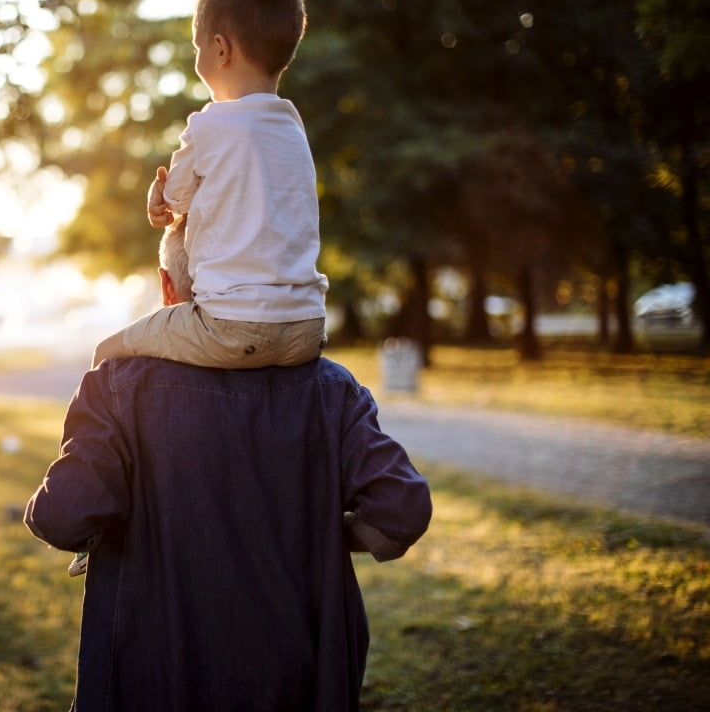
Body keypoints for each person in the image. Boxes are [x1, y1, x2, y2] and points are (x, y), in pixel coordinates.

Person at [25, 218, 432, 712]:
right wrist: (327, 529)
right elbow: (402, 508)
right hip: (301, 676)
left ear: (167, 286)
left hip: (152, 674)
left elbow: (64, 516)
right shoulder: (331, 389)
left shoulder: (116, 385)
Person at [92, 0, 330, 370]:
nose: (196, 57)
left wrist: (158, 200)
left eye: (196, 47)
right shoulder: (292, 127)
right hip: (308, 327)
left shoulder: (208, 124)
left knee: (107, 354)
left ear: (220, 49)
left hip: (233, 325)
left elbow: (176, 198)